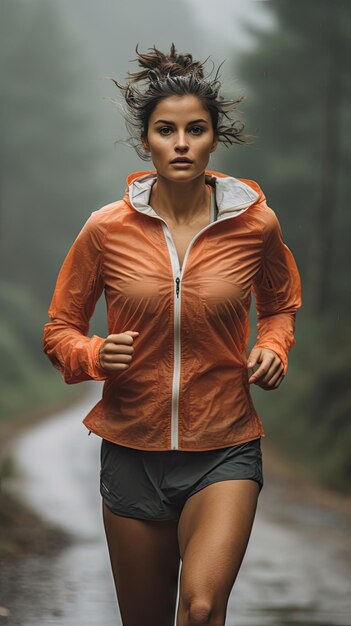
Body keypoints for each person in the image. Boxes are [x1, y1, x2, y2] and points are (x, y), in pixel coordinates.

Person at [42, 44, 302, 626]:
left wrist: (273, 346)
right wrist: (92, 354)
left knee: (203, 608)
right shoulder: (105, 230)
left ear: (214, 139)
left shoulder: (255, 223)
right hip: (132, 450)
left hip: (225, 445)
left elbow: (281, 305)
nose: (180, 143)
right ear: (147, 141)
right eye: (166, 130)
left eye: (195, 130)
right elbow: (60, 329)